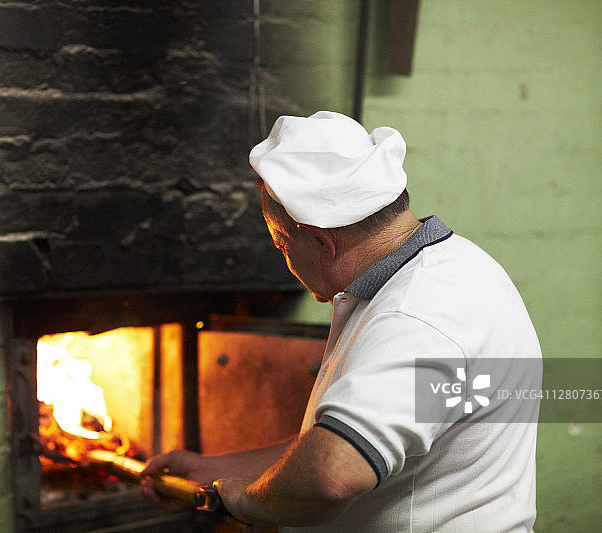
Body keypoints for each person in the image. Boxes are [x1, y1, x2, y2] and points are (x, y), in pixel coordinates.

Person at [141, 111, 542, 532]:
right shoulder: (455, 266)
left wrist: (244, 500)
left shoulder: (417, 315)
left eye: (282, 242)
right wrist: (216, 469)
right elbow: (342, 439)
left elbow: (331, 474)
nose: (287, 261)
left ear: (320, 240)